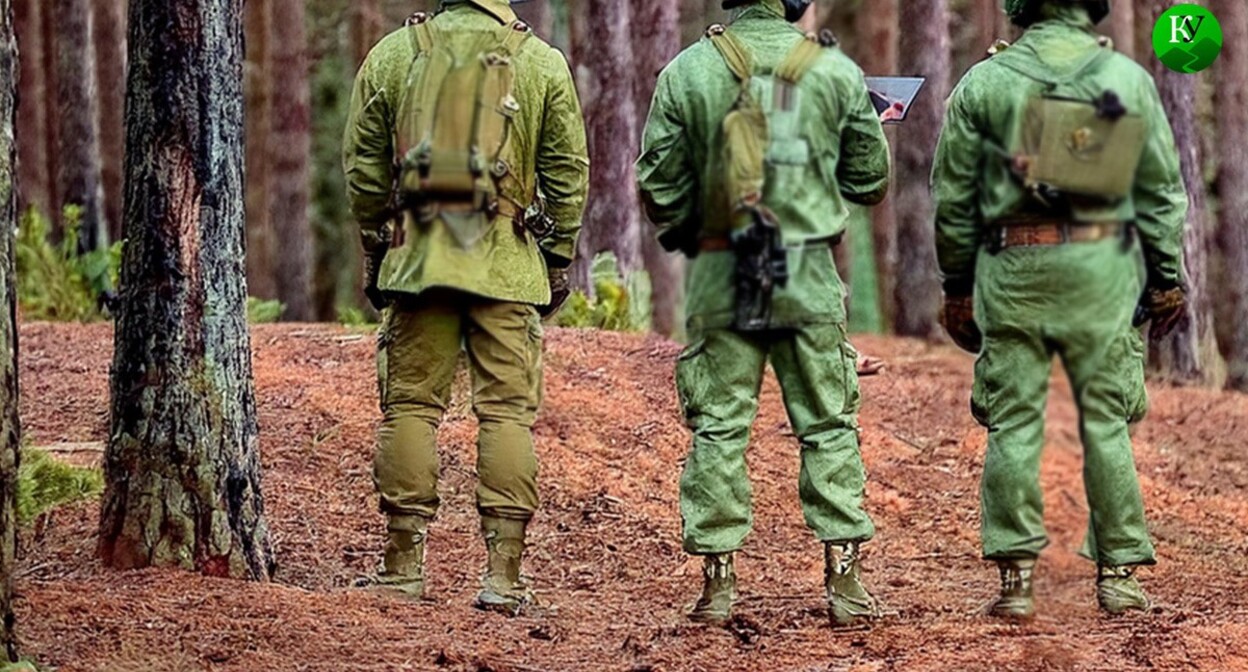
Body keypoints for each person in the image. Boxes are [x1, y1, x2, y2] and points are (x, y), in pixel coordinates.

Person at [637, 0, 892, 627]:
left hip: (724, 272)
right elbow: (871, 179)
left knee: (719, 427)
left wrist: (700, 232)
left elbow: (657, 185)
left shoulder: (687, 70)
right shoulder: (834, 70)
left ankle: (718, 587)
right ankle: (846, 583)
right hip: (805, 271)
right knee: (828, 424)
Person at [932, 0, 1188, 619]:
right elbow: (1159, 194)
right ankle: (1119, 575)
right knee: (1104, 420)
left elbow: (953, 199)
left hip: (1013, 268)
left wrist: (957, 286)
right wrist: (1166, 280)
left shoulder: (984, 83)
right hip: (1102, 271)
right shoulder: (1126, 79)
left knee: (1013, 421)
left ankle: (1017, 582)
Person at [342, 0, 589, 616]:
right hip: (507, 265)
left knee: (410, 409)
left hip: (419, 259)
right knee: (506, 416)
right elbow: (569, 174)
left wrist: (380, 246)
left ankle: (402, 569)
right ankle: (503, 577)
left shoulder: (395, 53)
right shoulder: (539, 60)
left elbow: (364, 173)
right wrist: (554, 259)